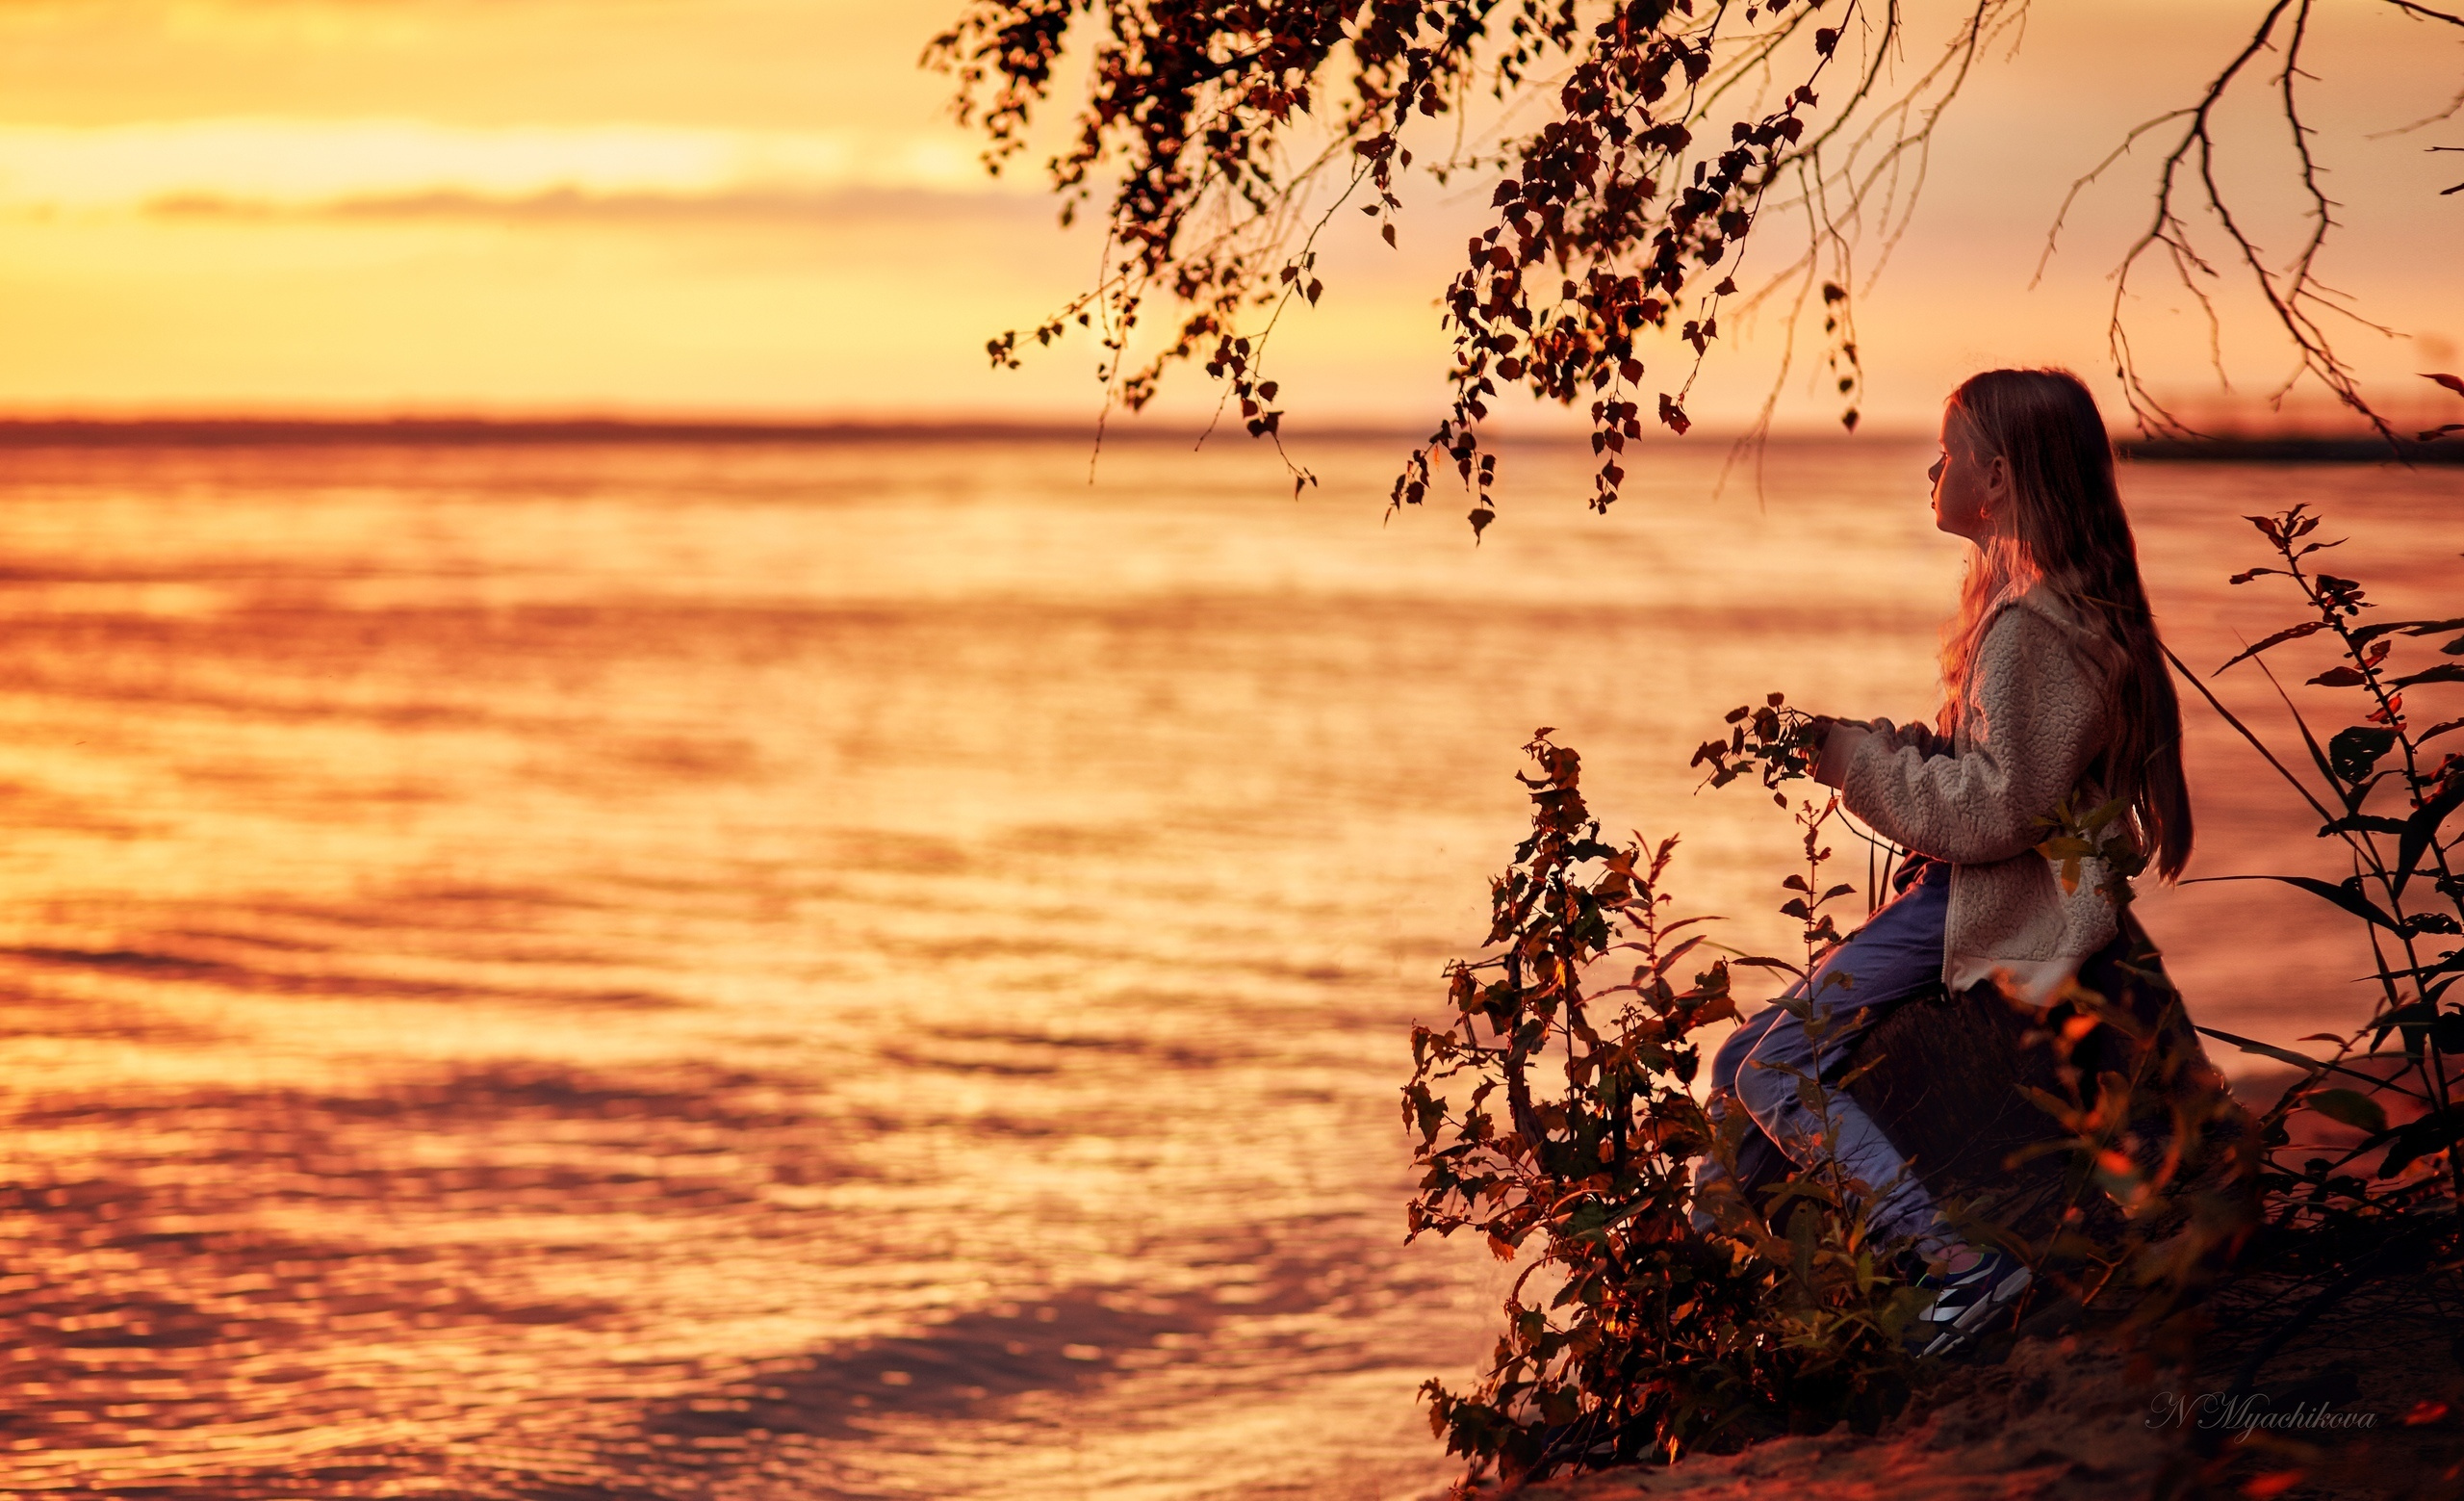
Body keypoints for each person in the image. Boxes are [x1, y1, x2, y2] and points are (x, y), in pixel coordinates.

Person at [1689, 367, 2194, 1356]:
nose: (1933, 466)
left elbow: (1997, 811)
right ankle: (1717, 1294)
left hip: (1983, 900)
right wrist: (1885, 746)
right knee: (1736, 1063)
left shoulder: (2031, 629)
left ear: (1997, 478)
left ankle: (1955, 1268)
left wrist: (1857, 766)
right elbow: (2005, 772)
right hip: (1982, 889)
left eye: (1948, 452)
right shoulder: (2040, 610)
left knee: (1777, 1065)